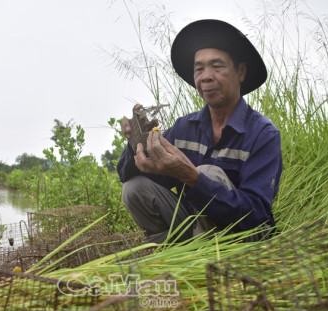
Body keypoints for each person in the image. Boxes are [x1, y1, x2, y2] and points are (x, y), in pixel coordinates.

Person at [117, 19, 283, 244]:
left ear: (241, 72)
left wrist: (193, 178)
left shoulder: (262, 134)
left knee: (208, 173)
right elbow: (134, 176)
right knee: (134, 188)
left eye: (217, 66)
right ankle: (173, 256)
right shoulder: (185, 127)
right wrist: (137, 142)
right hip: (193, 228)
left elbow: (256, 214)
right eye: (199, 69)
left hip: (243, 235)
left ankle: (209, 264)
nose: (206, 76)